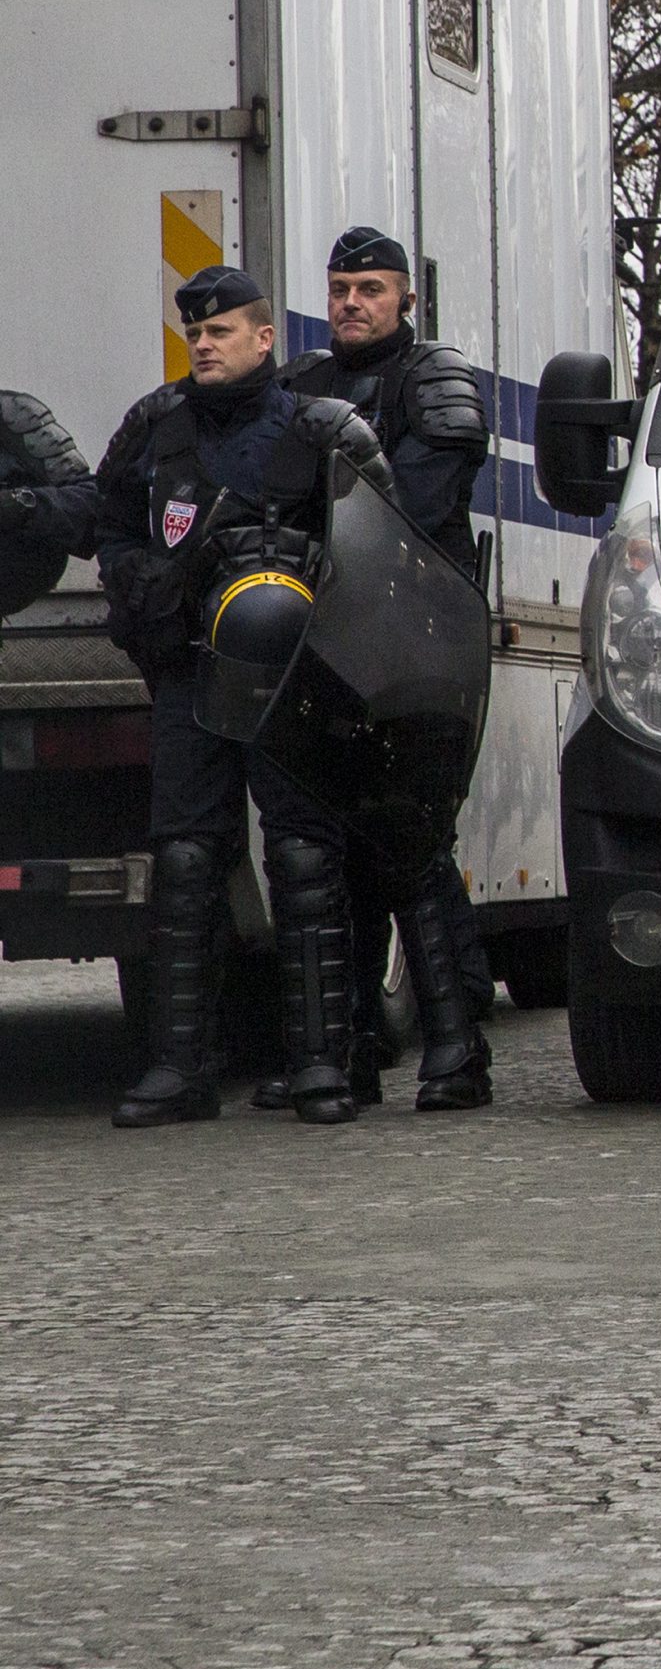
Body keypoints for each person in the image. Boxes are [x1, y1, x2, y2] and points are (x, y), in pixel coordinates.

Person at [32, 268, 386, 1127]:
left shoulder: (312, 427)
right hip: (190, 666)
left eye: (221, 331)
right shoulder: (158, 425)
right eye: (195, 332)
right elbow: (107, 518)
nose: (203, 343)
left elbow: (375, 540)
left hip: (284, 674)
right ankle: (182, 1066)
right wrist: (135, 579)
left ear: (264, 339)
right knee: (186, 861)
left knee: (303, 857)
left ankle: (318, 1065)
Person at [273, 225, 492, 1113]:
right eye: (338, 289)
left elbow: (415, 508)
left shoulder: (433, 381)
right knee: (337, 853)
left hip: (415, 648)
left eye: (369, 287)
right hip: (322, 650)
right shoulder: (302, 388)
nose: (351, 303)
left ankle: (455, 1050)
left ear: (406, 296)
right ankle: (356, 1048)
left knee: (411, 848)